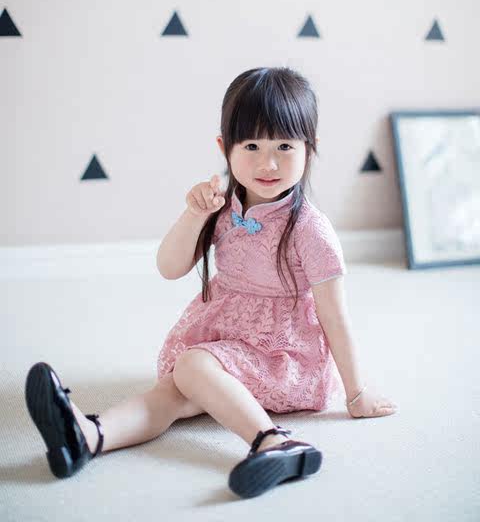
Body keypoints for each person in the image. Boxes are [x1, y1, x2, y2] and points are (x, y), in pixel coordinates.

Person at [25, 66, 397, 498]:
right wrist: (194, 215)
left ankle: (276, 442)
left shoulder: (310, 230)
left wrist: (356, 393)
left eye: (284, 146)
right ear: (225, 148)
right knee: (172, 393)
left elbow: (334, 315)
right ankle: (89, 437)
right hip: (229, 340)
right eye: (252, 146)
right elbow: (169, 266)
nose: (268, 163)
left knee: (191, 367)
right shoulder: (220, 207)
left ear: (309, 149)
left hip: (284, 357)